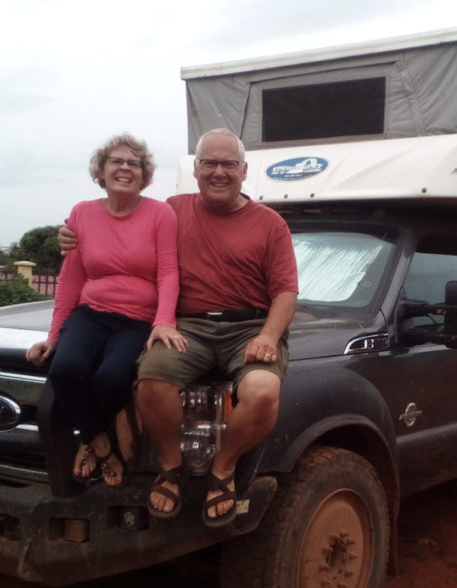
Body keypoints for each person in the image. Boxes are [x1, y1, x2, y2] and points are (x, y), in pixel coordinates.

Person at [59, 128, 298, 525]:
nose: (218, 172)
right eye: (209, 163)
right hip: (189, 326)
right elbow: (120, 221)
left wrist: (269, 336)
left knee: (262, 390)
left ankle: (223, 468)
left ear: (243, 170)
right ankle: (170, 465)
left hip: (249, 326)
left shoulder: (270, 224)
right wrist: (71, 234)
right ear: (197, 168)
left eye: (228, 164)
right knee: (150, 377)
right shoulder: (170, 209)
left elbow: (286, 292)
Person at [28, 133, 183, 488]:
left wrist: (163, 321)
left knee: (112, 378)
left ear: (144, 175)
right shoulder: (81, 214)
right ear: (101, 171)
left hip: (137, 319)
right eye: (116, 161)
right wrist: (54, 336)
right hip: (92, 312)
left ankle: (88, 439)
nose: (125, 168)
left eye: (134, 163)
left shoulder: (161, 214)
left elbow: (169, 272)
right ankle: (100, 443)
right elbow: (70, 281)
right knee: (65, 369)